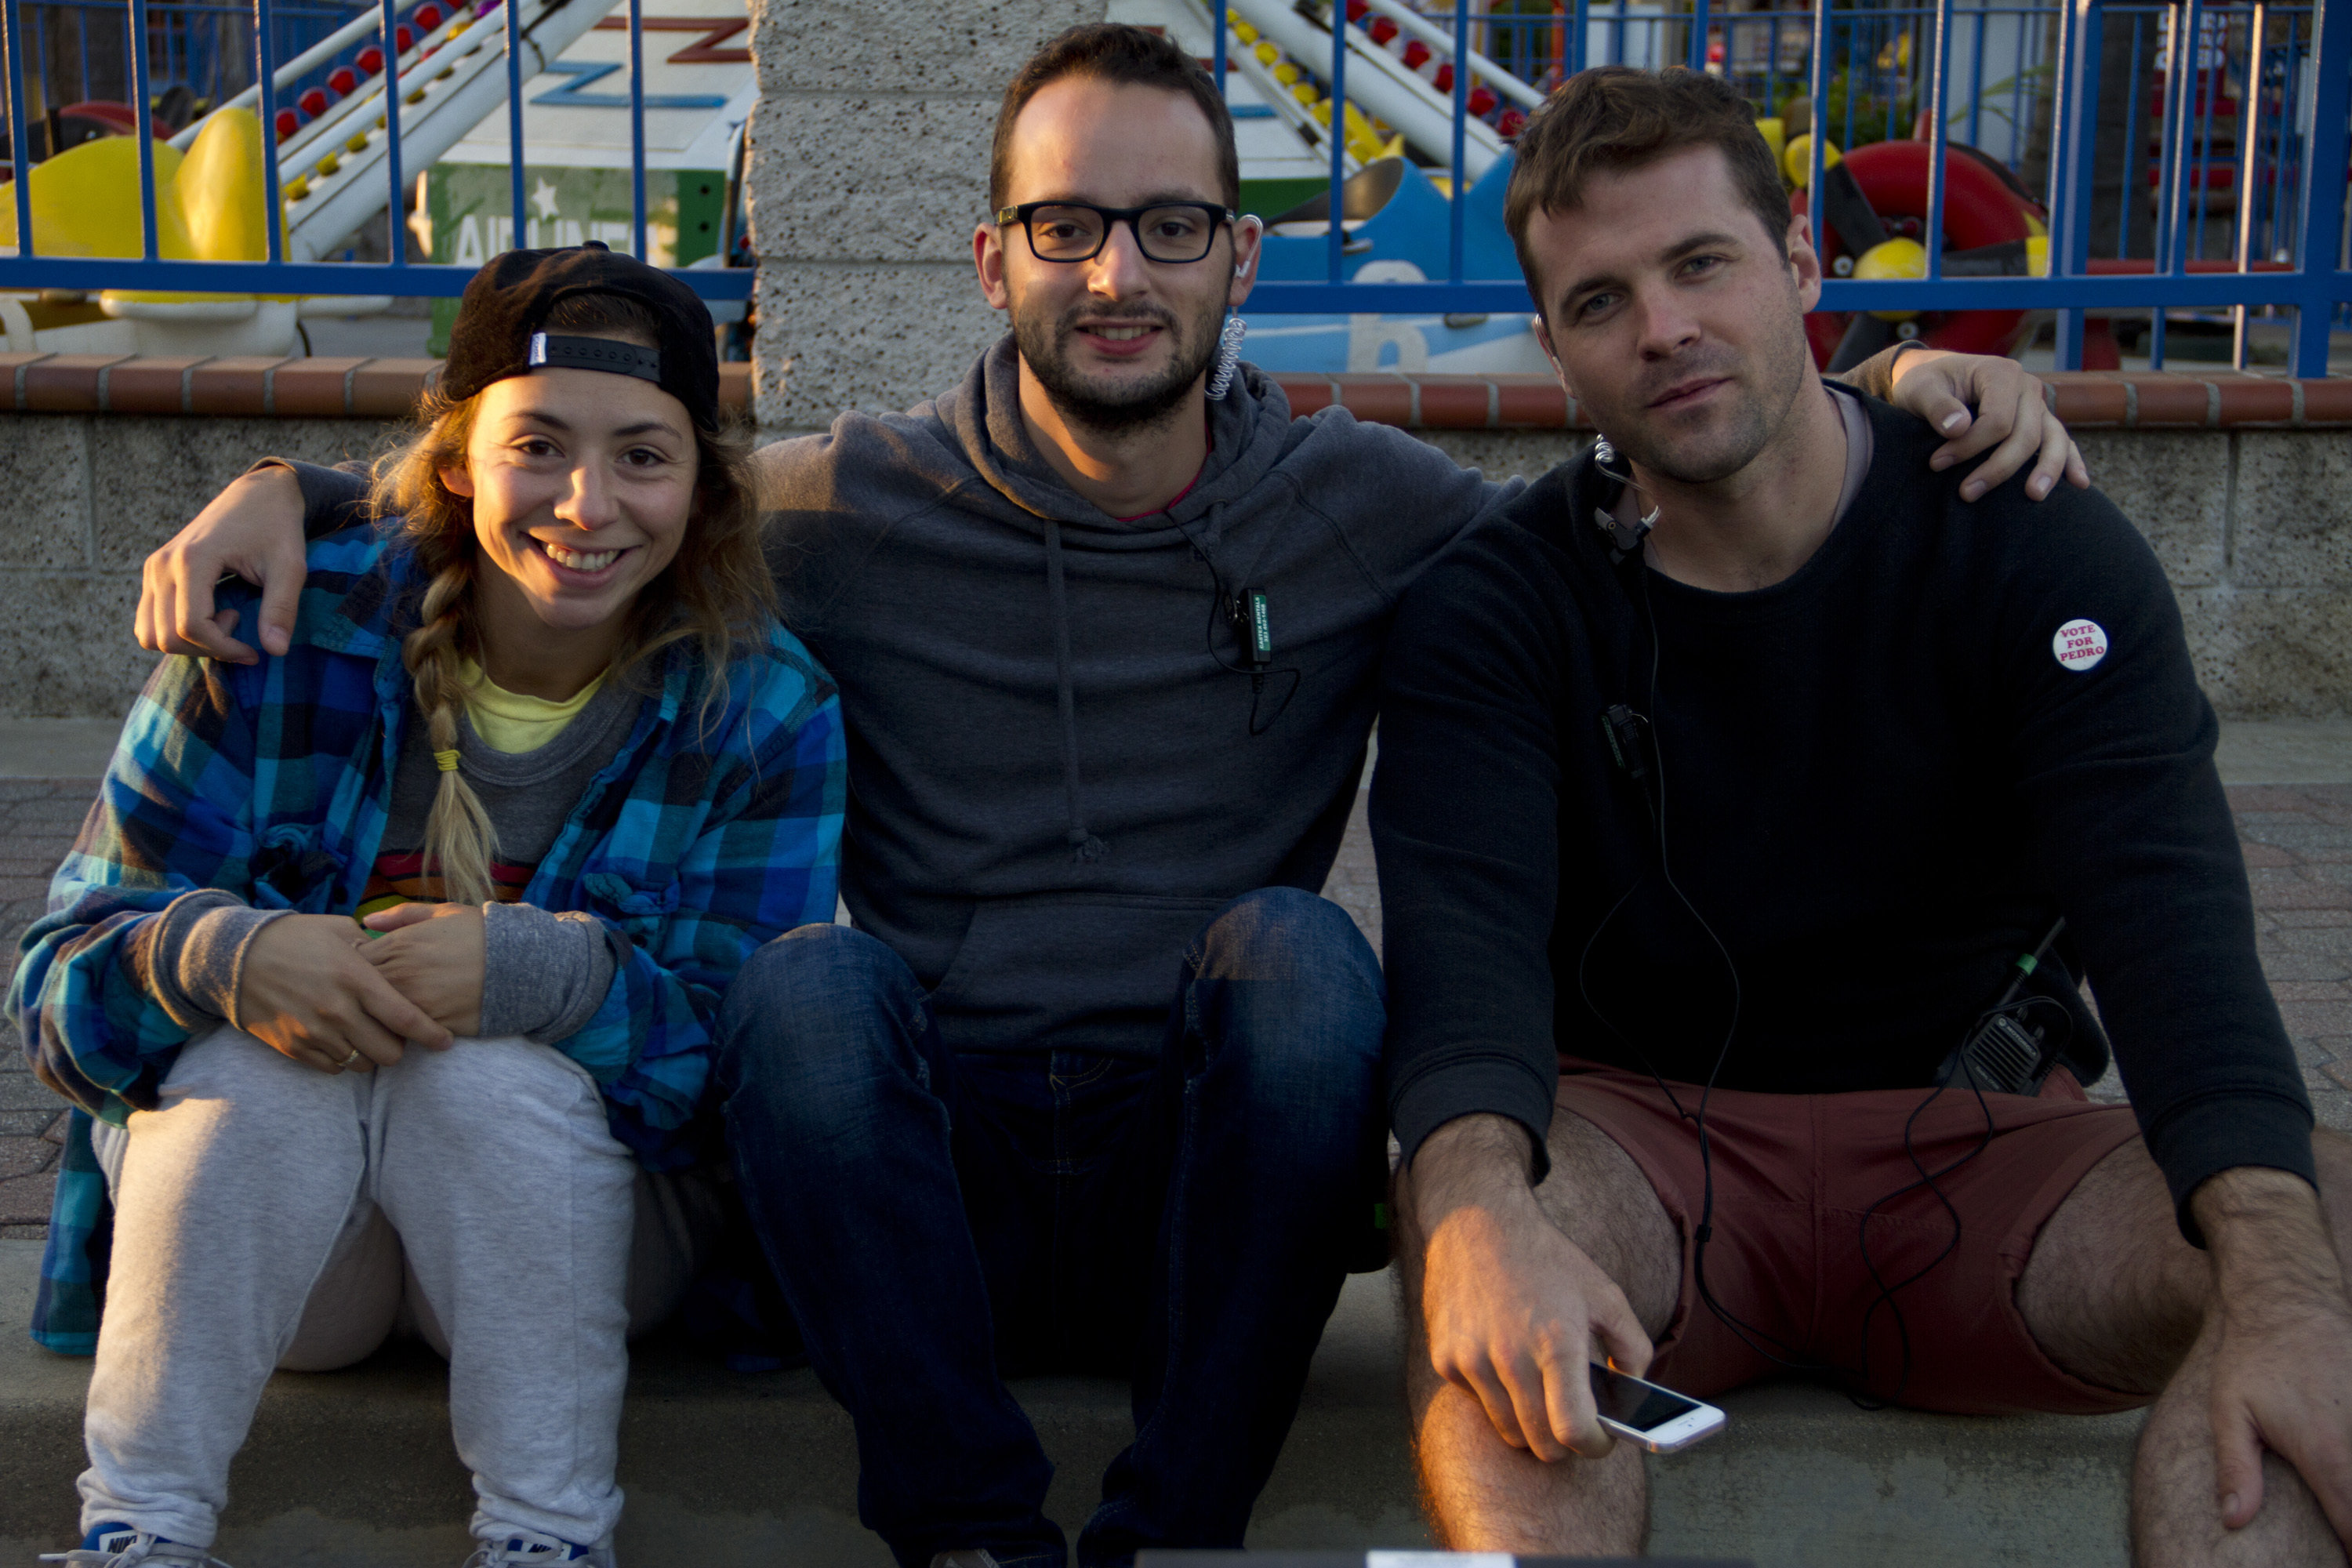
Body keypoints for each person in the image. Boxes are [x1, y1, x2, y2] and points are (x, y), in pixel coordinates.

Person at [128, 27, 2088, 1566]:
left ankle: (1177, 1539)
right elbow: (595, 501)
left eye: (1167, 224)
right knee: (807, 985)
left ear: (1241, 253)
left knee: (1312, 954)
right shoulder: (851, 502)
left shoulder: (1374, 509)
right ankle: (976, 1534)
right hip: (916, 1167)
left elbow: (1644, 494)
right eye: (1068, 226)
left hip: (1210, 1156)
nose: (1117, 271)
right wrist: (296, 499)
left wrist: (1900, 382)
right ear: (997, 259)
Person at [1374, 64, 2352, 1566]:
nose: (1665, 329)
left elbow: (2172, 925)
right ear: (1558, 349)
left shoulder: (2026, 545)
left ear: (1804, 269)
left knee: (2319, 1231)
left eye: (1702, 263)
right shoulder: (1496, 607)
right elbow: (1462, 953)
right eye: (1599, 300)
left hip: (1992, 1160)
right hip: (1647, 1155)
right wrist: (1475, 1212)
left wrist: (2280, 1293)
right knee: (1497, 1269)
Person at [10, 245, 846, 1568]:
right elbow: (59, 992)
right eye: (538, 448)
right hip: (303, 1263)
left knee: (489, 1085)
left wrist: (551, 982)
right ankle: (142, 1533)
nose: (588, 503)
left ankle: (547, 1538)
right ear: (459, 461)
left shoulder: (760, 701)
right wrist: (222, 954)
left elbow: (743, 1080)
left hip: (571, 1233)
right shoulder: (285, 623)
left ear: (700, 487)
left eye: (643, 455)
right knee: (250, 1058)